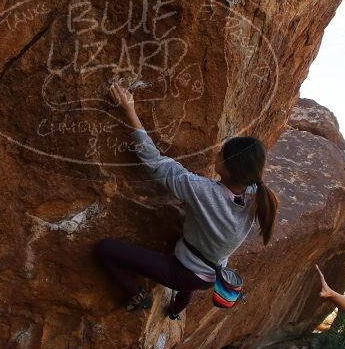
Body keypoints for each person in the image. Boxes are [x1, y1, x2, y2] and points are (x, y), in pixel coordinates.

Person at [94, 81, 279, 319]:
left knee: (104, 249)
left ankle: (138, 295)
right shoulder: (257, 197)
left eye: (221, 154)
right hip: (211, 274)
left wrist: (129, 110)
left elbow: (155, 162)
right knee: (188, 286)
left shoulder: (203, 191)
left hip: (183, 271)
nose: (217, 154)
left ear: (229, 170)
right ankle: (173, 312)